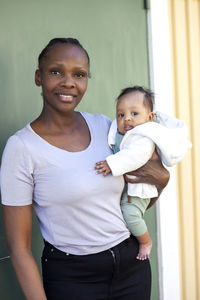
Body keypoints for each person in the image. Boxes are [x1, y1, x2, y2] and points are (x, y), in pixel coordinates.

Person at [0, 38, 169, 300]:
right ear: (38, 77)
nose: (68, 82)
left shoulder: (107, 128)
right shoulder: (21, 148)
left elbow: (146, 178)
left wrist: (159, 177)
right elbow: (19, 248)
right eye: (56, 72)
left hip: (131, 266)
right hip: (73, 277)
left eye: (79, 74)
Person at [95, 86, 191, 260]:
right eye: (121, 115)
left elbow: (135, 156)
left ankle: (145, 241)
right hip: (127, 186)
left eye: (134, 113)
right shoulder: (118, 133)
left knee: (130, 215)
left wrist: (111, 163)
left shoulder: (144, 136)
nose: (127, 119)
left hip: (138, 189)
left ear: (149, 117)